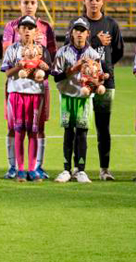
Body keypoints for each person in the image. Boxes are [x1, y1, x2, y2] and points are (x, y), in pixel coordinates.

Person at [65, 0, 123, 181]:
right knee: (79, 127)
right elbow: (69, 49)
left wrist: (103, 70)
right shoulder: (77, 23)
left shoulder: (111, 24)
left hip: (105, 83)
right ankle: (76, 168)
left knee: (103, 126)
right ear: (84, 1)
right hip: (80, 84)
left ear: (102, 1)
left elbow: (118, 51)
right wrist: (96, 43)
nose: (94, 2)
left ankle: (104, 169)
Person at [2, 0, 56, 180]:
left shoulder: (46, 27)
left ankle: (36, 167)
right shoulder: (10, 27)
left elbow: (51, 58)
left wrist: (40, 70)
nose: (29, 6)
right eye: (25, 2)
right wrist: (21, 65)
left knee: (37, 127)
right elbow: (7, 59)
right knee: (14, 126)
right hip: (16, 87)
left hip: (38, 87)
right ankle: (15, 166)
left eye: (32, 3)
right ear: (20, 5)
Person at [52, 17, 100, 184]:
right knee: (68, 132)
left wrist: (95, 83)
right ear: (71, 32)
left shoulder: (93, 54)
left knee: (82, 134)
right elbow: (56, 77)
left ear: (88, 33)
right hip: (67, 96)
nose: (79, 34)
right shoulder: (62, 52)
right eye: (76, 30)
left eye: (83, 31)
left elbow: (98, 78)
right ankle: (66, 169)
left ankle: (80, 170)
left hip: (84, 98)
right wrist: (74, 68)